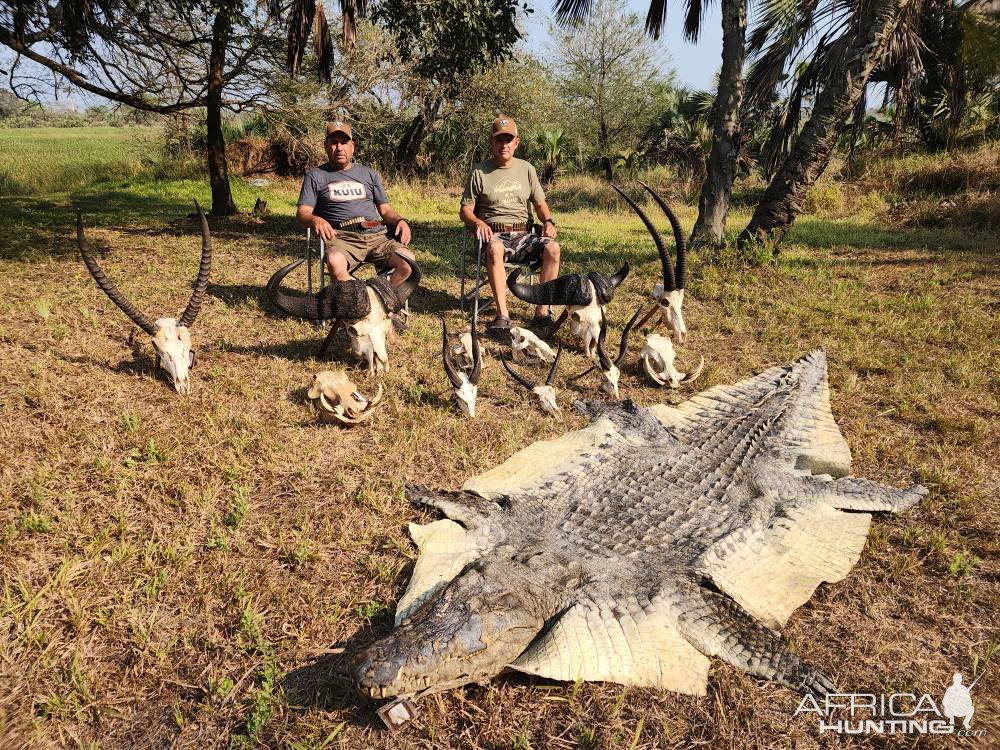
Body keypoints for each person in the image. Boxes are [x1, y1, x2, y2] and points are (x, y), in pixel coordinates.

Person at [459, 115, 560, 340]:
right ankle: (502, 314)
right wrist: (478, 222)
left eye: (508, 139)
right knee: (495, 249)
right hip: (492, 233)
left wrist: (548, 222)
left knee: (553, 249)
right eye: (499, 140)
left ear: (517, 142)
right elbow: (465, 210)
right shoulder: (479, 172)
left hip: (524, 234)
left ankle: (542, 310)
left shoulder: (527, 169)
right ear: (491, 143)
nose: (504, 144)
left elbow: (540, 204)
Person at [297, 120, 415, 289]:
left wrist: (400, 220)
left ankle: (381, 301)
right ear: (325, 146)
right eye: (334, 143)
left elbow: (385, 209)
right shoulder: (315, 176)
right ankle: (357, 302)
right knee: (335, 262)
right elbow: (303, 213)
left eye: (344, 143)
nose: (339, 148)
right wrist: (315, 220)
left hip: (377, 236)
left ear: (352, 146)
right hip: (341, 238)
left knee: (408, 262)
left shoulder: (369, 174)